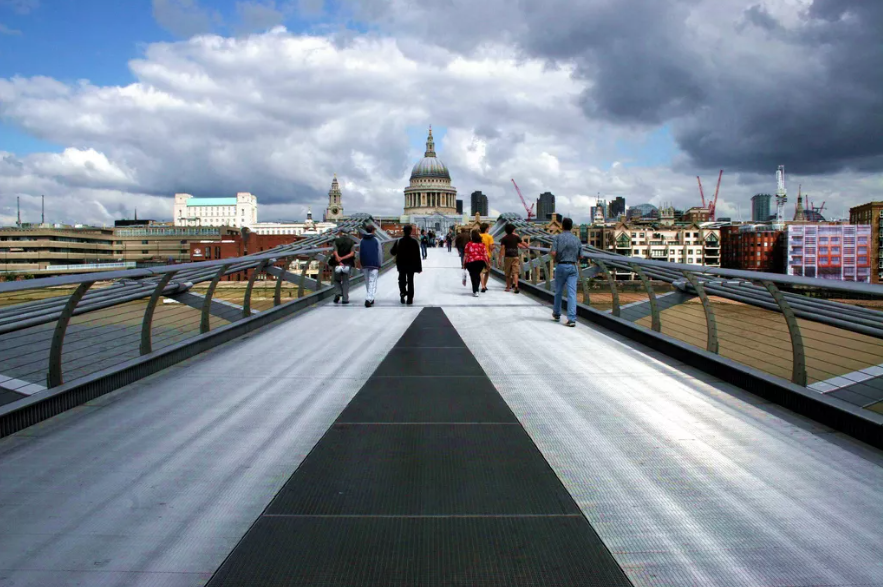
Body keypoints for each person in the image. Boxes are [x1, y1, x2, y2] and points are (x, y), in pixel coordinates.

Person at [551, 217, 582, 327]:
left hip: (561, 265)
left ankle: (557, 313)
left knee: (558, 291)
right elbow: (581, 255)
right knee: (572, 293)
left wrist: (555, 259)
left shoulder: (557, 237)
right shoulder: (577, 239)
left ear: (562, 226)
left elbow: (553, 253)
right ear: (571, 226)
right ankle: (572, 319)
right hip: (573, 266)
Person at [390, 224, 422, 305]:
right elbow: (417, 256)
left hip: (401, 265)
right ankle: (410, 299)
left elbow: (392, 252)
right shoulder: (414, 242)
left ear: (403, 231)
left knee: (402, 280)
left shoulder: (399, 241)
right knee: (410, 281)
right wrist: (419, 268)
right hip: (411, 265)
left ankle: (402, 293)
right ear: (411, 231)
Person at [358, 224, 383, 307]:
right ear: (373, 231)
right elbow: (379, 252)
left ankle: (370, 298)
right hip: (374, 264)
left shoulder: (361, 240)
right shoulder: (376, 240)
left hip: (365, 263)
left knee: (367, 281)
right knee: (373, 281)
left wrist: (361, 263)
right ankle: (369, 298)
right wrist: (380, 263)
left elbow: (360, 253)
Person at [498, 223, 528, 294]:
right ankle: (516, 285)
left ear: (505, 231)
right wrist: (527, 246)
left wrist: (500, 258)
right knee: (515, 272)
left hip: (508, 257)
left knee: (508, 273)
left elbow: (502, 249)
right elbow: (522, 244)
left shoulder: (504, 238)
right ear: (513, 230)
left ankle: (508, 287)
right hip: (515, 256)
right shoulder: (516, 237)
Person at [330, 229, 355, 304]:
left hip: (337, 264)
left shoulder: (336, 241)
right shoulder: (351, 242)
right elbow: (352, 254)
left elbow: (335, 252)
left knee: (336, 280)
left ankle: (338, 292)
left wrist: (339, 260)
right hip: (347, 264)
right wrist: (343, 259)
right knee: (346, 281)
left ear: (341, 233)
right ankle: (345, 299)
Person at [463, 229, 490, 297]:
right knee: (477, 275)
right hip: (480, 262)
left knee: (473, 276)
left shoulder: (468, 244)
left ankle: (475, 290)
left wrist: (463, 264)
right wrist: (487, 263)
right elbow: (485, 254)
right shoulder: (482, 244)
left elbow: (465, 255)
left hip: (470, 262)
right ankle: (476, 290)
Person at [479, 223, 495, 293]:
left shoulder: (478, 236)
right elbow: (491, 247)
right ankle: (484, 285)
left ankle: (482, 285)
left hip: (479, 256)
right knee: (487, 271)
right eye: (488, 228)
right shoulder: (489, 237)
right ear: (486, 229)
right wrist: (494, 247)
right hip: (487, 256)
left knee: (480, 271)